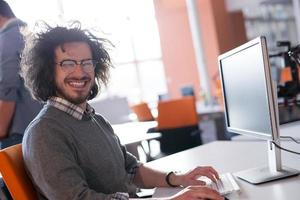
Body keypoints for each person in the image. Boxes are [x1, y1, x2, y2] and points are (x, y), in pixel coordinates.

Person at [21, 23, 224, 200]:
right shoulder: (44, 133)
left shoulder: (96, 120)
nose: (80, 72)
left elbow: (131, 169)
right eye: (68, 63)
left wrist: (177, 178)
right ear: (48, 71)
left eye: (86, 63)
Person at [0, 0, 42, 149]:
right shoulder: (27, 34)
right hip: (36, 123)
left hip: (17, 131)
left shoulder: (7, 38)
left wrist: (1, 131)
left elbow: (8, 89)